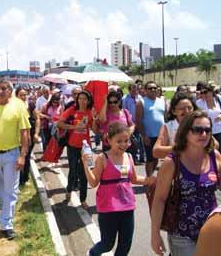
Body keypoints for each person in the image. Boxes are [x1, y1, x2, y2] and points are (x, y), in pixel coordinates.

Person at [151, 111, 220, 256]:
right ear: (186, 132)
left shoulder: (215, 157)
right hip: (182, 234)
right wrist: (155, 235)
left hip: (211, 230)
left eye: (207, 130)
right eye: (197, 130)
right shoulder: (172, 162)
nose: (203, 134)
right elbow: (159, 199)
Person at [82, 122, 155, 256]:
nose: (123, 144)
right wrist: (86, 165)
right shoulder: (103, 158)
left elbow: (133, 179)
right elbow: (93, 183)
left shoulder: (129, 157)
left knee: (125, 245)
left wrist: (152, 180)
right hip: (108, 207)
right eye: (119, 141)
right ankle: (92, 253)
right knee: (107, 244)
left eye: (126, 141)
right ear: (109, 140)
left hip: (127, 206)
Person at [0, 78, 30, 240]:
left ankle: (6, 224)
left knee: (10, 190)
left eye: (4, 88)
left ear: (10, 90)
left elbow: (25, 133)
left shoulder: (18, 107)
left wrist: (22, 156)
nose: (0, 91)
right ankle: (4, 212)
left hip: (11, 154)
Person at [58, 90, 99, 209]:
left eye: (85, 99)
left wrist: (95, 120)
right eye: (80, 98)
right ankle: (69, 190)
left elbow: (95, 131)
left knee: (84, 173)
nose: (82, 101)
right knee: (73, 171)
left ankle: (83, 199)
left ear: (89, 100)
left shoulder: (91, 112)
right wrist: (74, 127)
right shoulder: (72, 110)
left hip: (86, 148)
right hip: (72, 146)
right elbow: (59, 124)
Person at [153, 92, 197, 158]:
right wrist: (181, 148)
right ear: (174, 111)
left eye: (189, 108)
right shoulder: (168, 127)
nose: (187, 111)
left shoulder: (199, 124)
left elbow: (215, 145)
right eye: (182, 109)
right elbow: (156, 152)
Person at [136, 81, 166, 176]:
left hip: (161, 136)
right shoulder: (141, 102)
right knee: (150, 159)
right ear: (145, 90)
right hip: (149, 136)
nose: (153, 90)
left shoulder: (162, 101)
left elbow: (165, 118)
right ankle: (149, 180)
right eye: (150, 88)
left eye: (154, 88)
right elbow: (138, 121)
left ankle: (152, 176)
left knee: (157, 158)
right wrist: (144, 136)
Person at [15, 87, 40, 186]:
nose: (23, 97)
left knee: (26, 155)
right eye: (21, 95)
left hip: (30, 135)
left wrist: (36, 133)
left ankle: (24, 178)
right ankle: (18, 178)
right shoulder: (13, 107)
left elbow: (37, 119)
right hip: (17, 136)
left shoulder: (30, 106)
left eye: (24, 95)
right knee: (17, 156)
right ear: (16, 96)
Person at [122, 82, 144, 163]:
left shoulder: (140, 98)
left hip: (139, 123)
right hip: (130, 124)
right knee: (132, 141)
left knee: (139, 141)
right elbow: (124, 111)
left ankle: (140, 157)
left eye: (136, 89)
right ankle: (133, 158)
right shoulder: (125, 99)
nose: (135, 91)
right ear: (129, 90)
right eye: (133, 89)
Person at [196, 83, 221, 152]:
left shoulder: (219, 98)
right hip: (208, 132)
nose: (204, 94)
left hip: (219, 131)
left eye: (205, 92)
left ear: (211, 91)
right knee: (210, 152)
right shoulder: (199, 103)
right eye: (202, 92)